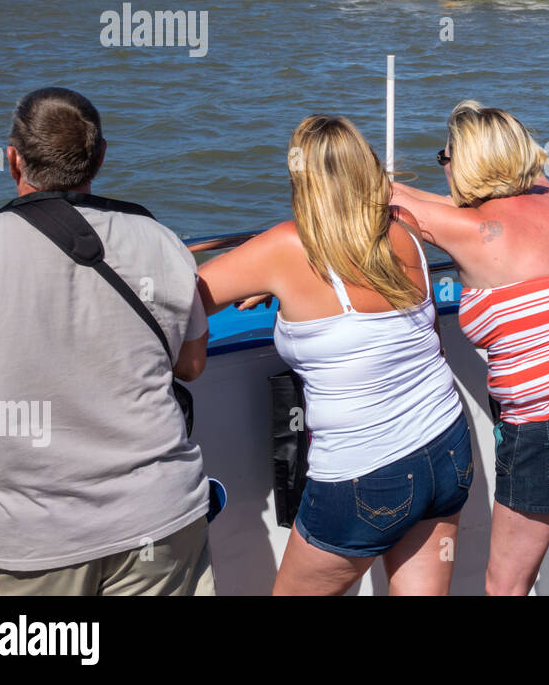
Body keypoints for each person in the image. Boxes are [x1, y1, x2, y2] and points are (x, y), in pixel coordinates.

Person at [0, 87, 213, 595]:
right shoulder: (160, 239)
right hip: (161, 515)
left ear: (12, 160)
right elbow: (192, 364)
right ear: (101, 157)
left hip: (40, 536)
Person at [197, 115, 473, 596]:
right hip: (446, 445)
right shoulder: (403, 227)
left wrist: (269, 278)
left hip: (364, 473)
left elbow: (181, 297)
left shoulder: (284, 247)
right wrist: (278, 285)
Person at [389, 101, 549, 596]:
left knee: (505, 587)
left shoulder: (474, 233)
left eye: (447, 157)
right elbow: (444, 207)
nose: (446, 167)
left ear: (472, 163)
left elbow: (385, 199)